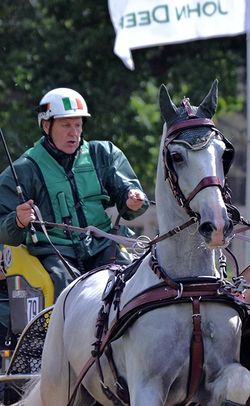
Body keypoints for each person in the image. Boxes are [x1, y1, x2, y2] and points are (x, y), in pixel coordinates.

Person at [0, 87, 149, 299]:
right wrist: (17, 221)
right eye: (66, 125)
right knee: (67, 292)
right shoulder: (24, 169)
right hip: (56, 252)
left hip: (104, 245)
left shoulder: (103, 154)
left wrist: (132, 199)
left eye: (78, 124)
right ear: (46, 126)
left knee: (138, 279)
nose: (74, 132)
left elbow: (128, 190)